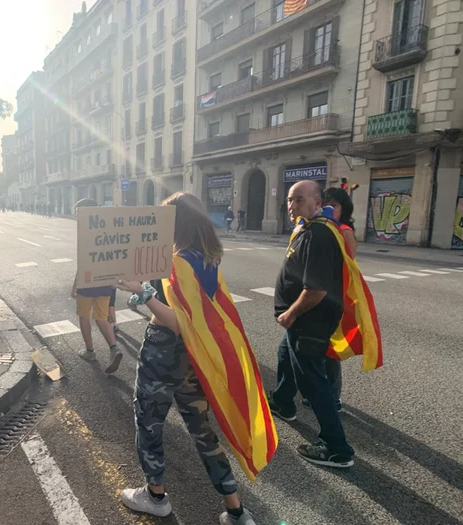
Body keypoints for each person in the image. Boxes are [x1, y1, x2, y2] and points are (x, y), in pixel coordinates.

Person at [117, 193, 259, 525]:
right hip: (195, 359)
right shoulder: (208, 257)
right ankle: (236, 509)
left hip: (164, 354)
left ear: (177, 223)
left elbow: (180, 322)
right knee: (202, 430)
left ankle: (155, 496)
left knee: (149, 421)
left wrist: (144, 293)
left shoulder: (180, 262)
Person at [269, 180, 354, 469]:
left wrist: (291, 314)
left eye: (299, 199)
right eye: (290, 200)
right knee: (286, 356)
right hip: (303, 323)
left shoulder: (317, 234)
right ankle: (283, 403)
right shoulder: (308, 229)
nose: (291, 205)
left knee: (313, 381)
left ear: (317, 203)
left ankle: (336, 447)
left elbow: (315, 290)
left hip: (309, 321)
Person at [302, 187, 357, 412]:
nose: (328, 209)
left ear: (343, 209)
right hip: (319, 294)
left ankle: (332, 398)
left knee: (330, 352)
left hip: (333, 297)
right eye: (325, 204)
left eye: (333, 205)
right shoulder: (322, 227)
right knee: (315, 349)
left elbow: (348, 265)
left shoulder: (343, 230)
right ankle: (316, 394)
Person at [71, 198, 122, 374]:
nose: (76, 215)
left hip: (88, 282)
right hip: (105, 281)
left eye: (78, 212)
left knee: (84, 316)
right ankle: (114, 347)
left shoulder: (85, 232)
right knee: (101, 318)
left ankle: (90, 351)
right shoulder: (107, 229)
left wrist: (75, 285)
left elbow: (84, 262)